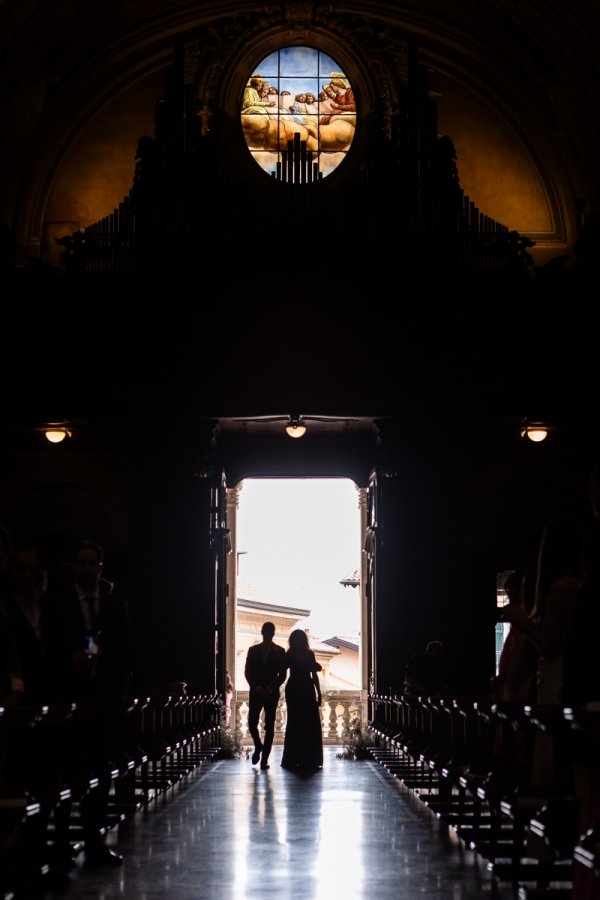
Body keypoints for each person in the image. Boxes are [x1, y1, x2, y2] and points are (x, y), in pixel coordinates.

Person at [40, 539, 131, 867]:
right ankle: (63, 845)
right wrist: (70, 661)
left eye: (92, 564)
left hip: (105, 702)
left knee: (100, 775)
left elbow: (124, 653)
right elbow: (47, 651)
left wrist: (116, 696)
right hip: (69, 702)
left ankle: (96, 843)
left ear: (100, 568)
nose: (87, 569)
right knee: (67, 773)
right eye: (81, 564)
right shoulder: (56, 605)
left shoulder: (114, 605)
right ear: (74, 568)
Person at [244, 621, 286, 770]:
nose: (267, 634)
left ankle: (264, 760)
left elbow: (282, 675)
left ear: (273, 634)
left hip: (271, 693)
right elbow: (247, 672)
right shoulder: (252, 650)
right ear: (262, 632)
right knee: (251, 723)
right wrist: (255, 687)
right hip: (256, 693)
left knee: (270, 726)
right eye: (265, 631)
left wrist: (270, 688)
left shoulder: (280, 652)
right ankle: (258, 745)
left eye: (270, 632)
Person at [281, 629, 323, 771]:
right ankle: (310, 758)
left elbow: (281, 670)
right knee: (309, 723)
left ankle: (293, 758)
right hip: (305, 688)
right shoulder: (309, 654)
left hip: (294, 688)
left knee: (294, 722)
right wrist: (319, 693)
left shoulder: (290, 654)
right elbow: (314, 675)